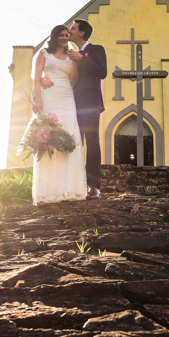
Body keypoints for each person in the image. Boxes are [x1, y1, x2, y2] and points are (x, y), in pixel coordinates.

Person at [30, 25, 88, 205]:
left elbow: (73, 81)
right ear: (54, 37)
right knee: (49, 140)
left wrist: (76, 63)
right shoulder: (44, 54)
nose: (64, 38)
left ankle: (69, 189)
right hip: (50, 98)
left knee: (69, 138)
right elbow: (36, 77)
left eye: (66, 35)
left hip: (67, 99)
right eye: (61, 35)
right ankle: (46, 193)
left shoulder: (72, 57)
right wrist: (38, 99)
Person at [66, 18, 107, 198]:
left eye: (72, 28)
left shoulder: (96, 50)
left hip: (90, 104)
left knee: (92, 142)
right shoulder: (69, 54)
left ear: (81, 32)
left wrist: (82, 58)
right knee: (75, 142)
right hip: (71, 103)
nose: (70, 30)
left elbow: (102, 72)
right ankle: (74, 184)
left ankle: (94, 186)